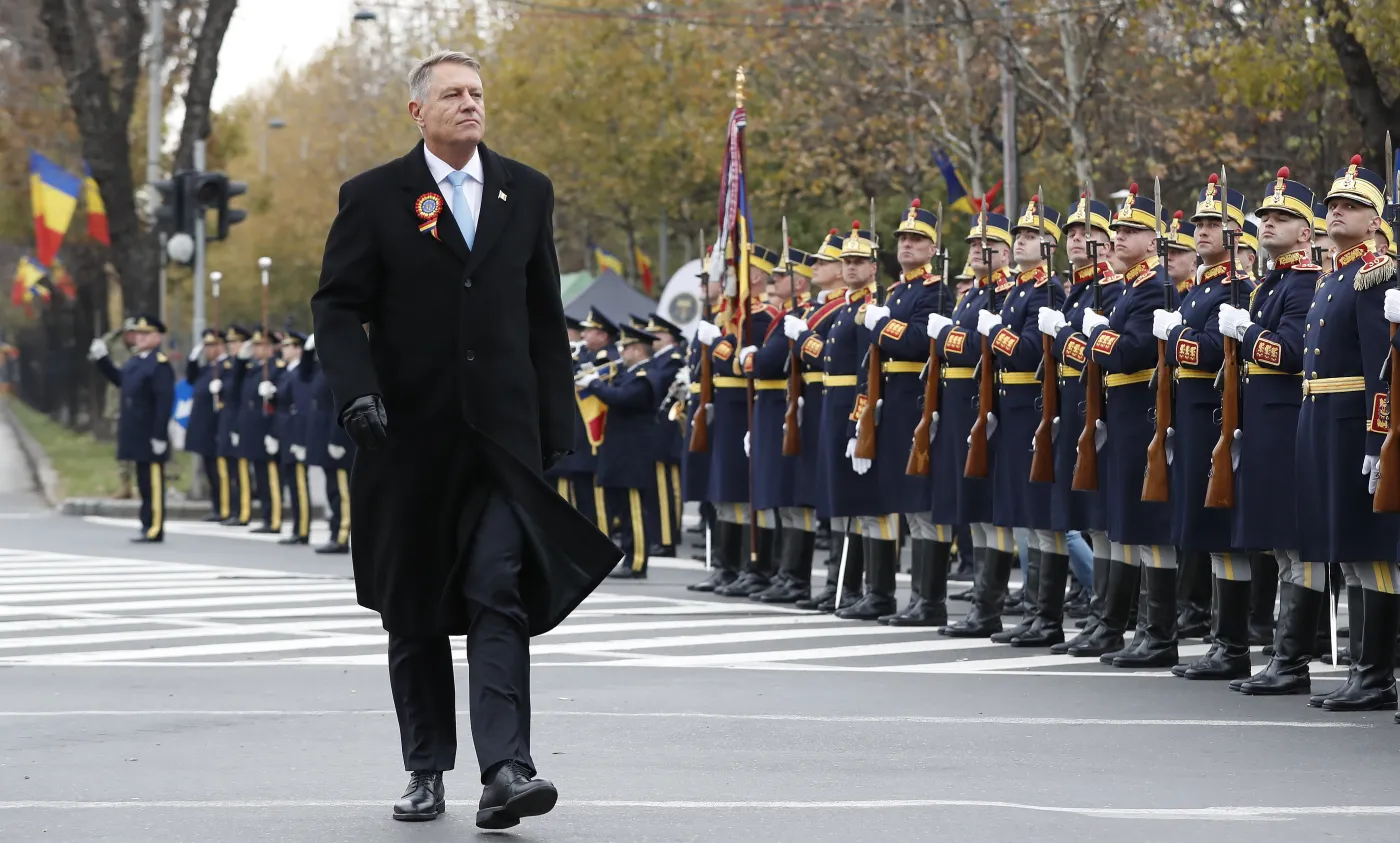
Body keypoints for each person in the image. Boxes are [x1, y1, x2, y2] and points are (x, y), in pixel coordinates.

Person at [311, 50, 619, 828]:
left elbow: (543, 315)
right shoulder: (375, 197)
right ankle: (425, 768)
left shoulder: (525, 190)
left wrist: (559, 424)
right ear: (418, 111)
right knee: (413, 608)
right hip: (408, 440)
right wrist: (357, 393)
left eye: (477, 93)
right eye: (452, 95)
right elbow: (337, 308)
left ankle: (507, 768)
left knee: (497, 590)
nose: (469, 105)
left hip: (502, 444)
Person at [1295, 154, 1398, 712]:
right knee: (1350, 552)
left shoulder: (1375, 276)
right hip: (1322, 422)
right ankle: (1364, 668)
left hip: (1351, 422)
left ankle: (1377, 674)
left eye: (1351, 205)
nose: (1336, 212)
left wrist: (1376, 441)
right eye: (1333, 204)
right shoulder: (1333, 278)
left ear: (1375, 221)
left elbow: (1382, 369)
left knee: (1371, 549)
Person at [1219, 168, 1324, 695]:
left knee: (1295, 544)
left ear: (1307, 232)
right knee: (1280, 547)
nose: (1268, 223)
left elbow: (1288, 355)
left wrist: (1247, 329)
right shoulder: (1274, 283)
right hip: (1263, 424)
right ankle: (1284, 658)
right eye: (1265, 216)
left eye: (1282, 217)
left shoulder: (1303, 284)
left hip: (1287, 426)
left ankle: (1293, 662)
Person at [1069, 183, 1174, 661]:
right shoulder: (1133, 286)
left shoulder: (1154, 286)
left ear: (1153, 242)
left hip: (1140, 412)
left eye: (1130, 231)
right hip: (1121, 409)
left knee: (1142, 524)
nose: (1117, 238)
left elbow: (1130, 350)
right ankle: (1112, 622)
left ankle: (1155, 633)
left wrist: (1097, 338)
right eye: (1117, 231)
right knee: (1120, 522)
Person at [1160, 173, 1253, 679]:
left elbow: (1220, 351)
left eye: (1212, 223)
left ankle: (1232, 643)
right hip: (1191, 412)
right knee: (1210, 532)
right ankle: (1223, 639)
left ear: (1235, 234)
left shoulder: (1236, 286)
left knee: (1221, 528)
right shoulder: (1200, 288)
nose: (1201, 229)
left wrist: (1176, 340)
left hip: (1214, 413)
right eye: (1198, 222)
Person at [1038, 195, 1123, 653]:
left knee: (1102, 521)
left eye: (1087, 234)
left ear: (1107, 245)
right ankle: (1097, 616)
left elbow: (1096, 354)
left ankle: (1108, 617)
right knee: (1089, 521)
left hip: (1100, 410)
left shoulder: (1109, 290)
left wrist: (1065, 337)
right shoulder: (1076, 290)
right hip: (1074, 408)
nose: (1076, 240)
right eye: (1071, 233)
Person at [981, 196, 1067, 644]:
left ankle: (1047, 617)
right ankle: (1034, 612)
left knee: (1041, 516)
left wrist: (995, 333)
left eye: (1031, 236)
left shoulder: (1048, 291)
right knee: (1027, 518)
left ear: (1049, 248)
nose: (1020, 242)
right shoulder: (1018, 290)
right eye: (1018, 235)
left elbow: (1032, 350)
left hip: (1032, 403)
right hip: (1011, 406)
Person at [931, 212, 1016, 638]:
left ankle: (989, 608)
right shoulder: (974, 295)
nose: (977, 251)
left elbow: (975, 349)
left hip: (985, 404)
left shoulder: (1004, 292)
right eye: (973, 245)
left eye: (988, 245)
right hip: (963, 404)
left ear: (1004, 253)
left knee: (989, 511)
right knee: (976, 514)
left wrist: (949, 338)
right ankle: (982, 606)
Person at [579, 323, 660, 579]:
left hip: (634, 452)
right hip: (621, 451)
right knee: (624, 509)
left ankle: (637, 562)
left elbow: (622, 398)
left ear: (637, 350)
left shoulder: (645, 375)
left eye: (626, 347)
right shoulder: (628, 372)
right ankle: (628, 556)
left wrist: (594, 384)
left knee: (635, 509)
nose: (622, 351)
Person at [87, 314, 174, 543]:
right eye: (139, 333)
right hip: (135, 431)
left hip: (149, 432)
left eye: (146, 334)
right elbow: (121, 381)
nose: (140, 337)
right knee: (143, 483)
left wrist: (159, 435)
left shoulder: (159, 364)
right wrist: (102, 360)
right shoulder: (136, 361)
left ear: (157, 337)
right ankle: (146, 524)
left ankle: (155, 526)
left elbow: (164, 403)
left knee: (153, 483)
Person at [305, 334, 354, 554]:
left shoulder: (341, 366)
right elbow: (303, 374)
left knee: (341, 492)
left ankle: (341, 535)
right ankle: (335, 532)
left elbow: (340, 404)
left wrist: (337, 437)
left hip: (337, 439)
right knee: (332, 489)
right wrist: (307, 351)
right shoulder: (321, 367)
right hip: (324, 438)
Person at [237, 327, 284, 535]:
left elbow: (282, 399)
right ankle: (266, 516)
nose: (257, 349)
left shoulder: (276, 368)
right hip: (253, 429)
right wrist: (239, 359)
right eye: (255, 345)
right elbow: (236, 388)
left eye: (262, 345)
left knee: (271, 477)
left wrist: (273, 393)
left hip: (268, 428)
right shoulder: (253, 367)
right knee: (260, 476)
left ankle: (274, 519)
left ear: (272, 347)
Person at [274, 331, 315, 546]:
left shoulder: (302, 373)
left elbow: (302, 408)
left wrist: (300, 440)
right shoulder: (285, 372)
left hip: (296, 435)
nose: (283, 349)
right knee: (292, 482)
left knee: (299, 483)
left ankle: (303, 529)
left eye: (288, 346)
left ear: (298, 349)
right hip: (286, 433)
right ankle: (297, 526)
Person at [185, 328, 228, 522]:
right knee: (210, 471)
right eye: (206, 346)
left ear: (221, 346)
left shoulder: (226, 366)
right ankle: (217, 506)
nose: (207, 350)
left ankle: (224, 507)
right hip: (204, 427)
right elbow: (191, 378)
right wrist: (193, 359)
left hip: (216, 426)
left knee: (220, 471)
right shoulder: (208, 367)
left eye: (211, 345)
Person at [216, 325, 253, 526]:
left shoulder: (247, 365)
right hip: (227, 420)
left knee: (241, 470)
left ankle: (243, 512)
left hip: (241, 421)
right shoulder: (228, 364)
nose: (231, 346)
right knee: (228, 469)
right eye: (229, 342)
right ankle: (230, 509)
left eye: (235, 342)